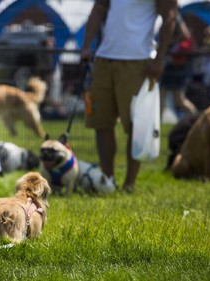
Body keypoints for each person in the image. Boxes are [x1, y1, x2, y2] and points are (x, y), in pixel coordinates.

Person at [81, 0, 178, 193]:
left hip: (138, 61)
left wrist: (159, 59)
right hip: (104, 58)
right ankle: (107, 182)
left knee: (136, 126)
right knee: (102, 123)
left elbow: (170, 17)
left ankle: (129, 185)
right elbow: (98, 10)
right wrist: (85, 46)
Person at [159, 14, 197, 119]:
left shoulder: (174, 16)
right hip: (174, 63)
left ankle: (195, 118)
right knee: (166, 95)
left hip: (177, 64)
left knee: (177, 98)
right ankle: (158, 123)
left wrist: (166, 42)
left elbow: (184, 35)